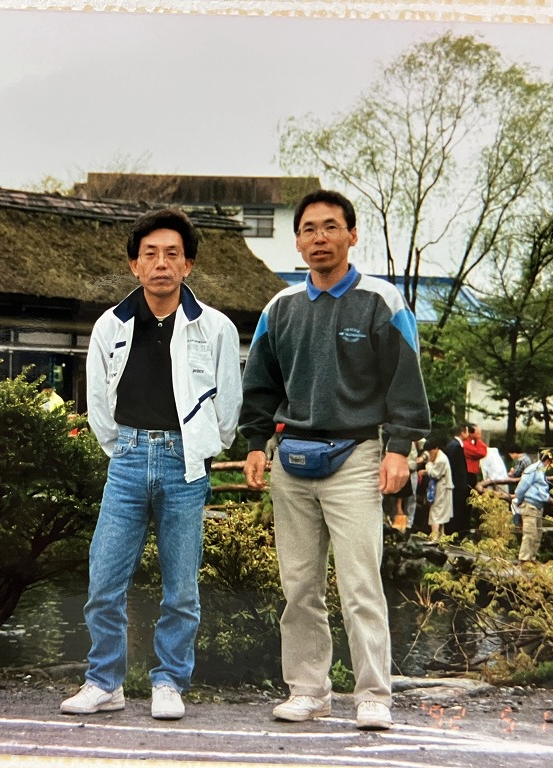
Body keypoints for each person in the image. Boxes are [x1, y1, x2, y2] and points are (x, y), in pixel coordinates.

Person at [239, 189, 430, 731]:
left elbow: (405, 381)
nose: (319, 238)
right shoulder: (279, 308)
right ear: (297, 242)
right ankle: (308, 690)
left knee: (360, 583)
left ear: (352, 235)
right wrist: (255, 443)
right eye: (308, 229)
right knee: (299, 585)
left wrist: (399, 449)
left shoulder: (381, 301)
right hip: (292, 457)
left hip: (358, 453)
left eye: (330, 227)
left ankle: (373, 695)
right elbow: (260, 386)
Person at [60, 208, 242, 721]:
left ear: (188, 265)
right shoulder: (110, 325)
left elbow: (228, 406)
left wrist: (202, 447)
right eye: (150, 254)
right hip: (127, 458)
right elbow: (99, 403)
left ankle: (169, 681)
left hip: (186, 462)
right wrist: (123, 447)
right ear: (134, 265)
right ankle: (104, 681)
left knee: (181, 587)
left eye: (172, 254)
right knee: (104, 579)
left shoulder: (216, 327)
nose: (161, 263)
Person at [514, 449, 553, 562]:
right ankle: (524, 560)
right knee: (529, 534)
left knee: (537, 534)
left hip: (538, 505)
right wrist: (519, 499)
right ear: (548, 461)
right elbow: (521, 487)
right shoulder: (533, 469)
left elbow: (540, 488)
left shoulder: (541, 471)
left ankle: (532, 558)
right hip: (530, 504)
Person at [442, 424, 472, 537]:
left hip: (454, 482)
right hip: (457, 483)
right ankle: (454, 533)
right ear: (462, 432)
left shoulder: (452, 444)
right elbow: (457, 468)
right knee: (457, 509)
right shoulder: (456, 446)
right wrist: (463, 483)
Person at [423, 432, 454, 541]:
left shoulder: (441, 459)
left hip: (442, 488)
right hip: (441, 487)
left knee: (436, 513)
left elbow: (434, 474)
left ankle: (435, 537)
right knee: (440, 513)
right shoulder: (439, 457)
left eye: (430, 451)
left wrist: (428, 465)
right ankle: (441, 537)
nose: (429, 453)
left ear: (436, 449)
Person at [462, 423, 487, 489]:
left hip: (471, 473)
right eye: (477, 432)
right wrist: (478, 439)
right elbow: (482, 453)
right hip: (468, 473)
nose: (479, 434)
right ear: (470, 433)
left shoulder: (471, 443)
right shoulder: (466, 444)